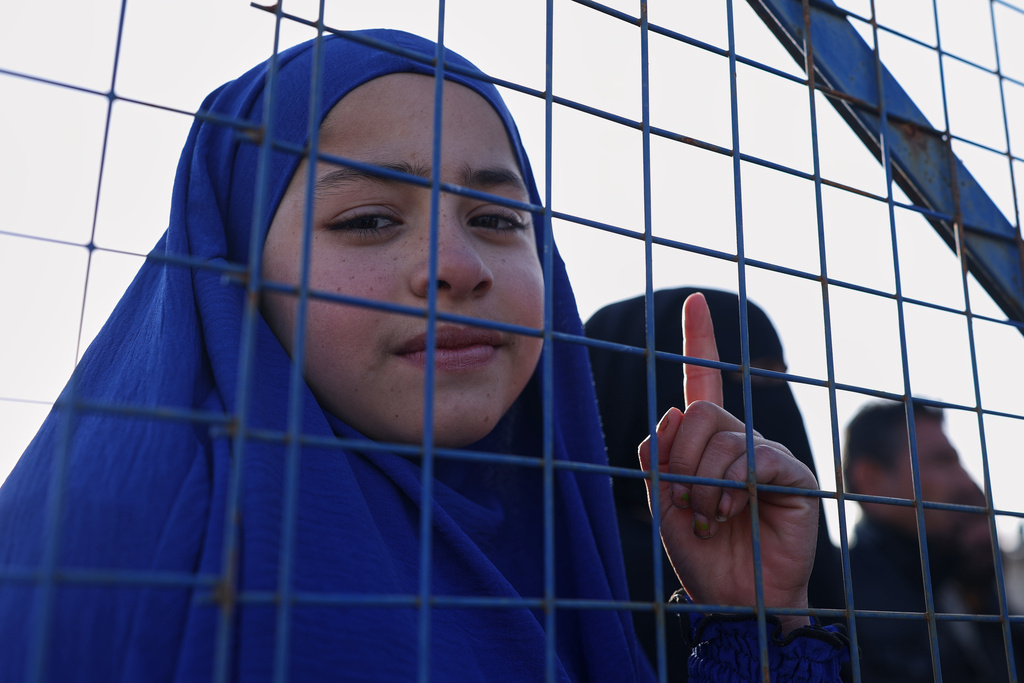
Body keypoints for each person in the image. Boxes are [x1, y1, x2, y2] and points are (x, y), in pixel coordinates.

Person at [0, 29, 847, 682]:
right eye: (368, 219)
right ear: (237, 270)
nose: (459, 266)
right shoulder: (141, 563)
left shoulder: (556, 550)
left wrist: (757, 623)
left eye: (497, 220)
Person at [586, 288, 847, 680]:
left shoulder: (795, 561)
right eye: (745, 376)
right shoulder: (573, 577)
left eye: (772, 377)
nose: (760, 404)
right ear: (631, 391)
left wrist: (772, 624)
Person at [844, 400, 1023, 682]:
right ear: (871, 479)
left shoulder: (962, 585)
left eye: (958, 462)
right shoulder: (840, 603)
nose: (967, 483)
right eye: (942, 461)